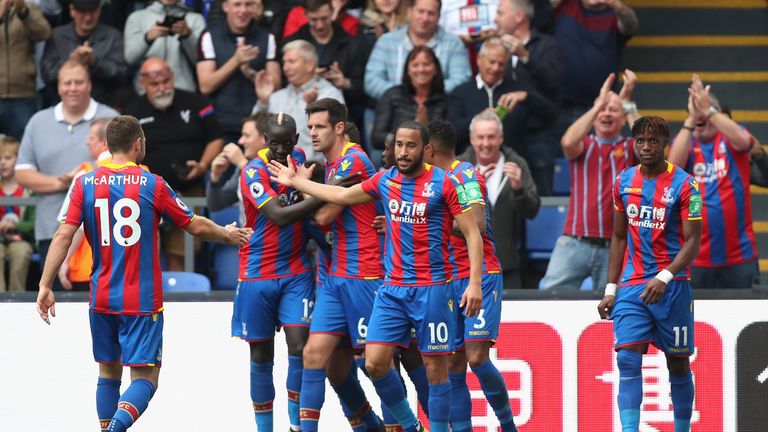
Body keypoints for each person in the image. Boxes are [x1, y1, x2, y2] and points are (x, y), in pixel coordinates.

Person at [35, 115, 253, 432]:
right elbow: (196, 225)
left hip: (102, 297)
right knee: (146, 378)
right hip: (140, 300)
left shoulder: (85, 183)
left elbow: (63, 236)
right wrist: (227, 234)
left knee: (107, 372)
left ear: (108, 147)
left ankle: (107, 426)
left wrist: (44, 284)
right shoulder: (152, 184)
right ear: (139, 144)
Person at [269, 120, 485, 432]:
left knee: (436, 370)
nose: (403, 152)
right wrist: (296, 182)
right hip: (392, 290)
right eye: (399, 145)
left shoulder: (444, 183)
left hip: (433, 289)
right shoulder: (386, 180)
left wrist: (475, 283)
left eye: (411, 146)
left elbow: (472, 233)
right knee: (374, 362)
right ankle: (412, 426)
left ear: (426, 150)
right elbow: (340, 196)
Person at [597, 115, 701, 432]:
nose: (645, 147)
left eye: (653, 141)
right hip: (632, 285)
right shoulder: (624, 182)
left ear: (665, 144)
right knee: (627, 358)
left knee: (678, 364)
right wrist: (610, 288)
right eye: (640, 141)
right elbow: (617, 237)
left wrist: (665, 276)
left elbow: (693, 241)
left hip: (672, 286)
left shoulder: (686, 185)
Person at [235, 112, 333, 431]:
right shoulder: (254, 171)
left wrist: (309, 182)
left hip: (295, 272)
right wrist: (324, 192)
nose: (281, 149)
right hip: (257, 275)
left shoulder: (300, 158)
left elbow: (308, 189)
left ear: (296, 140)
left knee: (300, 348)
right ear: (265, 141)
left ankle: (296, 425)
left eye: (286, 142)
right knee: (262, 358)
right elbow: (278, 216)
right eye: (274, 142)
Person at [297, 98, 388, 432]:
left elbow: (322, 216)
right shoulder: (331, 166)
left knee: (375, 365)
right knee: (320, 360)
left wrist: (296, 185)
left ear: (338, 127)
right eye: (310, 128)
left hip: (365, 274)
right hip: (336, 276)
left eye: (319, 126)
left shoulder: (354, 161)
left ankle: (401, 425)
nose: (313, 134)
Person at [425, 120, 518, 431]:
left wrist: (426, 219)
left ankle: (508, 426)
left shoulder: (464, 174)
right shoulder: (429, 182)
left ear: (430, 149)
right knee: (453, 363)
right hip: (447, 280)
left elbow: (476, 224)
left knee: (476, 357)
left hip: (480, 275)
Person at [16, 60, 119, 274]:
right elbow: (22, 172)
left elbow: (127, 165)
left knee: (101, 301)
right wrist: (60, 182)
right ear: (58, 87)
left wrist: (79, 180)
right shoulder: (38, 121)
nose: (72, 88)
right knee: (54, 299)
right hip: (51, 230)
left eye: (79, 82)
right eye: (67, 83)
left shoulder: (112, 118)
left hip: (103, 231)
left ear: (89, 85)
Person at [540, 71, 638, 290]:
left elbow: (649, 143)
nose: (606, 113)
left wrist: (628, 104)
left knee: (616, 307)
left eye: (613, 109)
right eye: (602, 109)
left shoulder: (630, 148)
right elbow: (567, 142)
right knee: (550, 297)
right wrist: (598, 105)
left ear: (623, 118)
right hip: (575, 241)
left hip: (616, 244)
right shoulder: (584, 144)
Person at [123, 57, 224, 271]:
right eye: (154, 84)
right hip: (145, 193)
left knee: (182, 254)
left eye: (165, 81)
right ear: (143, 83)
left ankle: (179, 299)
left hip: (187, 192)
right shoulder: (132, 111)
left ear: (173, 77)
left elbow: (216, 138)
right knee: (146, 254)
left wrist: (203, 165)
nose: (162, 88)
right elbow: (124, 151)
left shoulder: (197, 102)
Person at [667, 74, 758, 288]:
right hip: (694, 256)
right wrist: (691, 118)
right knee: (695, 320)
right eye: (694, 110)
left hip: (739, 256)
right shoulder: (685, 142)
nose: (700, 116)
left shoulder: (732, 137)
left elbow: (745, 142)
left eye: (704, 111)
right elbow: (672, 169)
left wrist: (708, 109)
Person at [458, 111, 538, 289]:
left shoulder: (517, 164)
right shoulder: (459, 167)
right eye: (480, 137)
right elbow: (448, 214)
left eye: (491, 137)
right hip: (465, 266)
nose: (485, 143)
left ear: (501, 138)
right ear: (471, 138)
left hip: (507, 265)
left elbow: (531, 211)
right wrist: (474, 192)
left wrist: (519, 190)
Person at [494, 0, 563, 195]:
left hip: (539, 137)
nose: (495, 18)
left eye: (500, 13)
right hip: (507, 138)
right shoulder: (498, 47)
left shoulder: (547, 45)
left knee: (542, 198)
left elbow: (553, 81)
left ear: (518, 17)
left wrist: (525, 56)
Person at [447, 37, 556, 156]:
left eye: (501, 64)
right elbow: (451, 135)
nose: (495, 68)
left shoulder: (518, 89)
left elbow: (551, 114)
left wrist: (526, 97)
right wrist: (478, 118)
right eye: (492, 62)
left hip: (513, 165)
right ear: (479, 59)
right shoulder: (461, 92)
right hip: (470, 169)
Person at [551, 0, 638, 141]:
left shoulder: (626, 145)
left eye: (615, 111)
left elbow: (646, 139)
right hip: (559, 104)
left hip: (598, 104)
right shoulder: (564, 6)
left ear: (622, 120)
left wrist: (626, 102)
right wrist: (625, 102)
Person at [196, 0, 281, 142]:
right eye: (237, 4)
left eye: (248, 4)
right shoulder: (209, 36)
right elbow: (205, 86)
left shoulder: (268, 36)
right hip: (221, 125)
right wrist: (235, 61)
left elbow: (276, 85)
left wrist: (250, 73)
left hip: (258, 125)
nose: (243, 10)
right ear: (225, 6)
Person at [283, 0, 368, 138]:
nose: (320, 25)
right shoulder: (293, 42)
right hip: (297, 110)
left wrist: (345, 82)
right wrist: (305, 75)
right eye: (314, 19)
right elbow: (284, 77)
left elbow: (363, 87)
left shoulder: (352, 44)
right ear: (305, 14)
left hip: (344, 111)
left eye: (324, 18)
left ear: (332, 11)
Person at [253, 40, 345, 161]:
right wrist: (263, 102)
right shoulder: (277, 97)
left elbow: (337, 139)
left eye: (291, 61)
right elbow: (253, 132)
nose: (285, 68)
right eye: (284, 62)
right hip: (276, 169)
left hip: (316, 172)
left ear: (310, 65)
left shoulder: (329, 95)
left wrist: (313, 108)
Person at [364, 0, 471, 100]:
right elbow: (371, 82)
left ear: (439, 17)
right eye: (420, 11)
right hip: (394, 108)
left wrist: (426, 93)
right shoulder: (386, 41)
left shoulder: (454, 44)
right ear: (409, 12)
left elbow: (461, 80)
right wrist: (404, 95)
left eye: (431, 13)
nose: (425, 18)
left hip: (440, 109)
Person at [56, 118, 113, 292]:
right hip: (132, 272)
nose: (87, 142)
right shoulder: (144, 173)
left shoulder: (85, 174)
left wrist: (63, 261)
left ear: (104, 143)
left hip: (89, 270)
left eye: (91, 138)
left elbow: (73, 226)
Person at [40, 0, 126, 106]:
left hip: (102, 102)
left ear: (99, 11)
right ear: (72, 10)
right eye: (82, 12)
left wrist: (94, 62)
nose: (88, 18)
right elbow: (47, 74)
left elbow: (121, 73)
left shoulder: (113, 36)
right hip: (61, 103)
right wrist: (71, 63)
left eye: (92, 12)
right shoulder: (57, 35)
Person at [372, 45, 447, 151]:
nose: (421, 69)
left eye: (426, 64)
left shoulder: (445, 100)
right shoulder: (392, 95)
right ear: (408, 70)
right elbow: (377, 137)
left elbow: (449, 142)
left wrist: (426, 128)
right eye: (415, 65)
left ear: (435, 69)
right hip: (395, 161)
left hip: (432, 162)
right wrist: (409, 135)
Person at [123, 0, 207, 94]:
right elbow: (130, 58)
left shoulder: (195, 19)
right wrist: (148, 38)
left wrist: (188, 36)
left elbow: (202, 62)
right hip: (147, 92)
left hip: (184, 91)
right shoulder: (137, 18)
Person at [0, 0, 51, 140]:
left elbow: (44, 33)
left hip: (22, 95)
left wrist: (23, 12)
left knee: (26, 144)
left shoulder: (29, 8)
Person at [207, 112, 270, 212]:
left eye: (246, 136)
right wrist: (215, 177)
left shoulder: (279, 164)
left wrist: (242, 163)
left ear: (265, 138)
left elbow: (271, 209)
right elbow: (216, 205)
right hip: (247, 227)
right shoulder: (246, 166)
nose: (240, 141)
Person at [0, 136, 34, 292]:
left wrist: (15, 225)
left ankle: (16, 299)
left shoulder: (28, 189)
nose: (2, 162)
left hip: (21, 239)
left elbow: (34, 223)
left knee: (21, 253)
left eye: (7, 158)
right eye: (0, 158)